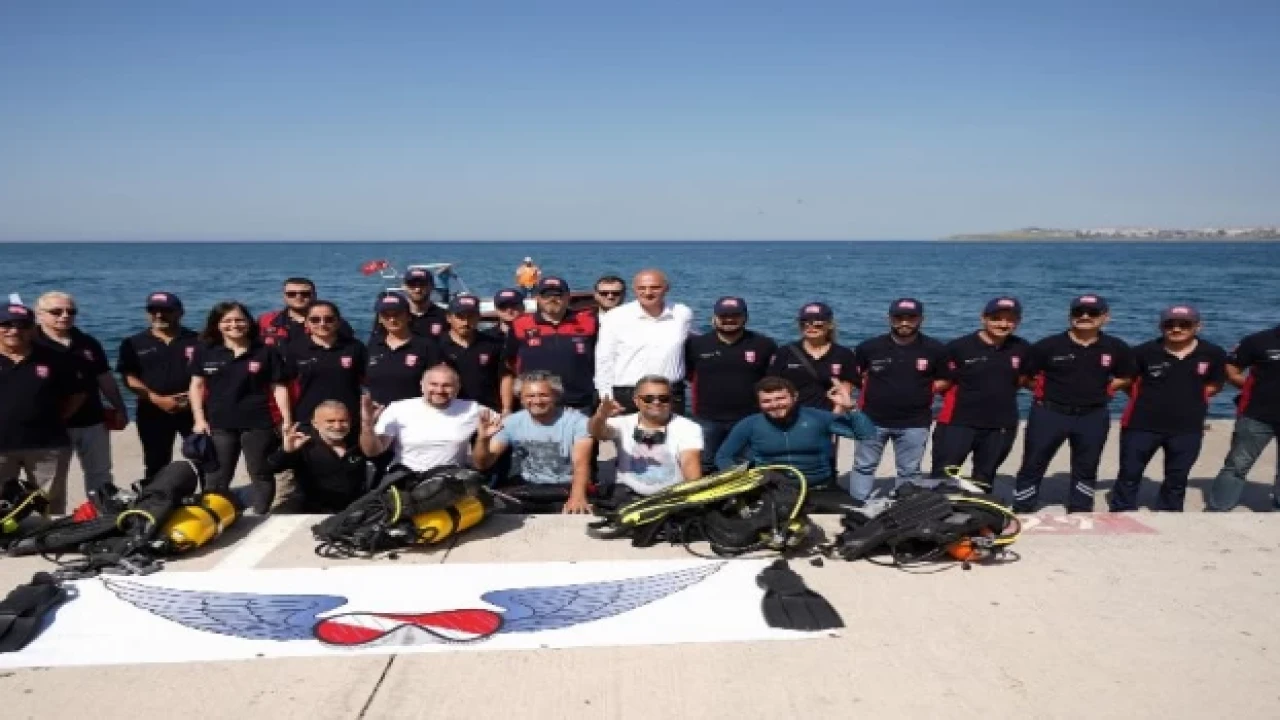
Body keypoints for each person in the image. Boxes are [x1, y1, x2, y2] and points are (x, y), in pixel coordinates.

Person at [1012, 294, 1136, 513]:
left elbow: (1126, 376)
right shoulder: (1048, 346)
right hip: (1049, 413)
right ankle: (1023, 508)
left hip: (1093, 416)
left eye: (1093, 313)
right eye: (1079, 312)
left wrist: (1107, 388)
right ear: (1070, 316)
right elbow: (1024, 376)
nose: (1085, 316)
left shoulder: (1116, 347)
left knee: (1087, 466)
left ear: (1105, 317)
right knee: (1033, 463)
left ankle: (1080, 508)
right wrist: (1044, 391)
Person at [1110, 305, 1226, 512]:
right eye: (1170, 324)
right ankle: (1121, 511)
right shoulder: (1143, 352)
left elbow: (1214, 385)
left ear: (1198, 326)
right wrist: (1147, 399)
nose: (1176, 329)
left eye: (1184, 324)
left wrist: (1190, 399)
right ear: (1161, 326)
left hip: (1187, 427)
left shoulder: (1213, 353)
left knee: (1177, 478)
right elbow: (1127, 382)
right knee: (1129, 473)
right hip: (1141, 424)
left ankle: (1169, 513)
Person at [189, 302, 292, 514]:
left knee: (260, 472)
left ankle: (260, 513)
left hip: (258, 423)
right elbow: (196, 386)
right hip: (220, 423)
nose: (234, 325)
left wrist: (287, 420)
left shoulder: (265, 351)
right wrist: (199, 419)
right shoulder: (205, 351)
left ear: (249, 322)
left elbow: (279, 388)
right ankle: (213, 514)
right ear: (217, 325)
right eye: (227, 321)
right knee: (217, 474)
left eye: (239, 320)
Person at [848, 298, 948, 501]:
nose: (904, 322)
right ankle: (858, 503)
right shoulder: (869, 347)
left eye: (911, 318)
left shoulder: (936, 349)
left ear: (921, 319)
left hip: (915, 422)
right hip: (871, 420)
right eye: (899, 317)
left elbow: (945, 379)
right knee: (864, 465)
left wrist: (920, 391)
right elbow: (855, 376)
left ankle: (905, 508)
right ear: (889, 319)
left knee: (909, 470)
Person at [931, 297, 1031, 488]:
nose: (1003, 324)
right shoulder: (958, 347)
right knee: (943, 477)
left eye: (1010, 319)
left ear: (1018, 321)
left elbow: (1023, 380)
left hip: (1001, 425)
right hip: (957, 422)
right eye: (996, 318)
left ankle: (976, 506)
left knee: (983, 480)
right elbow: (941, 380)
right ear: (983, 318)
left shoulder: (1022, 348)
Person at [34, 291, 128, 493]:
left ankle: (101, 510)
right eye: (56, 311)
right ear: (39, 314)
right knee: (51, 479)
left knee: (100, 474)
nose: (65, 316)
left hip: (92, 420)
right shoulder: (30, 343)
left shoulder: (87, 342)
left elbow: (105, 378)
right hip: (52, 424)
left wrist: (120, 407)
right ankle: (53, 514)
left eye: (71, 311)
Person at [715, 377, 875, 488]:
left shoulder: (817, 417)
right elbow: (723, 456)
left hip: (818, 486)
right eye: (766, 401)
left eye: (780, 398)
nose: (775, 405)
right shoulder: (750, 423)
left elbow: (866, 434)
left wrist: (851, 408)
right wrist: (742, 480)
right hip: (772, 487)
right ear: (759, 403)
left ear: (795, 397)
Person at [0, 303, 83, 514]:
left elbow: (76, 395)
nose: (14, 330)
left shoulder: (55, 358)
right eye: (6, 325)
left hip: (47, 446)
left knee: (49, 506)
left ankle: (48, 534)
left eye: (22, 325)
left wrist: (53, 419)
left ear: (32, 329)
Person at [472, 371, 594, 513]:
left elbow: (581, 464)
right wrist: (482, 440)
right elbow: (483, 464)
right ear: (521, 399)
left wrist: (577, 497)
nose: (537, 401)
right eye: (530, 396)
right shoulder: (511, 422)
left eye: (543, 395)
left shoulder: (578, 422)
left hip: (566, 486)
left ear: (555, 396)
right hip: (527, 487)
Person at [685, 296, 777, 473]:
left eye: (735, 315)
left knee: (747, 465)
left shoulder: (764, 344)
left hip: (750, 418)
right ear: (714, 318)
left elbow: (771, 380)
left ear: (745, 317)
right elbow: (689, 374)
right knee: (705, 464)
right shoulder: (696, 344)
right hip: (707, 417)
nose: (729, 320)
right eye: (723, 315)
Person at [117, 291, 201, 479]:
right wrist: (158, 400)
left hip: (194, 409)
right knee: (156, 462)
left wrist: (191, 399)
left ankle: (209, 495)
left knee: (204, 456)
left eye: (166, 310)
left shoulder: (198, 340)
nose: (159, 315)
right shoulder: (133, 343)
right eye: (153, 310)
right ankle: (157, 496)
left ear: (180, 312)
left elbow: (209, 374)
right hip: (152, 410)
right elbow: (129, 377)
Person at [361, 364, 496, 472]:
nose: (439, 390)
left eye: (447, 385)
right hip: (406, 479)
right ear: (422, 385)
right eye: (433, 384)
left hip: (451, 481)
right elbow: (372, 451)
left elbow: (503, 423)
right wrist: (367, 425)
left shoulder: (472, 409)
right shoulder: (398, 408)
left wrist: (484, 439)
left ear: (458, 388)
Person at [595, 269, 693, 414]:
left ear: (666, 288)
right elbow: (604, 359)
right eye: (642, 288)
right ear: (634, 289)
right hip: (627, 396)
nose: (648, 293)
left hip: (670, 394)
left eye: (655, 287)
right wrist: (605, 396)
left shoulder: (682, 314)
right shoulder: (615, 317)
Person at [1207, 319, 1280, 511]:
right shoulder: (1258, 341)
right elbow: (1231, 370)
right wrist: (1252, 388)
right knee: (1237, 465)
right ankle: (1218, 508)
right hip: (1256, 415)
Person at [588, 375, 703, 497]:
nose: (656, 402)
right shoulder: (623, 423)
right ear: (636, 401)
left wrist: (694, 495)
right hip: (627, 494)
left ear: (671, 400)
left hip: (671, 496)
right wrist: (600, 416)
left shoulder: (689, 427)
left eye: (664, 398)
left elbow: (690, 462)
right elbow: (596, 432)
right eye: (648, 398)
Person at [269, 401, 387, 513]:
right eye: (330, 421)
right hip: (316, 512)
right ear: (315, 424)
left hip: (356, 510)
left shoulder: (359, 442)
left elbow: (380, 460)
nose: (338, 426)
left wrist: (370, 424)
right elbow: (271, 468)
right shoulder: (304, 444)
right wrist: (286, 451)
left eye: (343, 421)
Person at [504, 277, 598, 412]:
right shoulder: (520, 324)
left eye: (558, 295)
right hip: (535, 402)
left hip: (579, 402)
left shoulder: (588, 321)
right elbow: (510, 362)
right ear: (537, 298)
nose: (552, 299)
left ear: (568, 297)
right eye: (546, 295)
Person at [287, 301, 367, 439]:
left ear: (338, 322)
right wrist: (287, 420)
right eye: (315, 320)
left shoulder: (355, 347)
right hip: (308, 420)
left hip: (347, 421)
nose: (322, 324)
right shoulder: (295, 349)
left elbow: (369, 381)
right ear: (306, 323)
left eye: (329, 319)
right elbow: (284, 387)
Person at [765, 302, 858, 409]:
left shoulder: (844, 354)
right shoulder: (784, 352)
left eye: (817, 324)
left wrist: (836, 413)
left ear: (830, 325)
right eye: (804, 323)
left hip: (828, 414)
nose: (811, 327)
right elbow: (772, 385)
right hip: (793, 414)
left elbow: (847, 385)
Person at [438, 295, 512, 414]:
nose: (466, 322)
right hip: (449, 411)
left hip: (488, 410)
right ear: (449, 318)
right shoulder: (436, 345)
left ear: (478, 317)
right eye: (460, 317)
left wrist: (507, 408)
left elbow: (505, 377)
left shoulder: (493, 344)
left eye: (471, 316)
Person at [364, 292, 440, 406]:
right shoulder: (373, 344)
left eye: (397, 314)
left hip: (414, 412)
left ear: (408, 316)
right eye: (386, 315)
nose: (392, 320)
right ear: (379, 319)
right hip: (379, 413)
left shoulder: (426, 346)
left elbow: (436, 384)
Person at [259, 277, 354, 350]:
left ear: (314, 295)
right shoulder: (266, 320)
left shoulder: (332, 323)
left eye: (305, 294)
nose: (298, 297)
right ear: (284, 296)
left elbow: (348, 350)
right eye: (291, 294)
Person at [388, 267, 448, 341]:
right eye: (412, 285)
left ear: (432, 286)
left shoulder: (445, 317)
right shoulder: (392, 317)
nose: (417, 289)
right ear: (404, 287)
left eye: (422, 284)